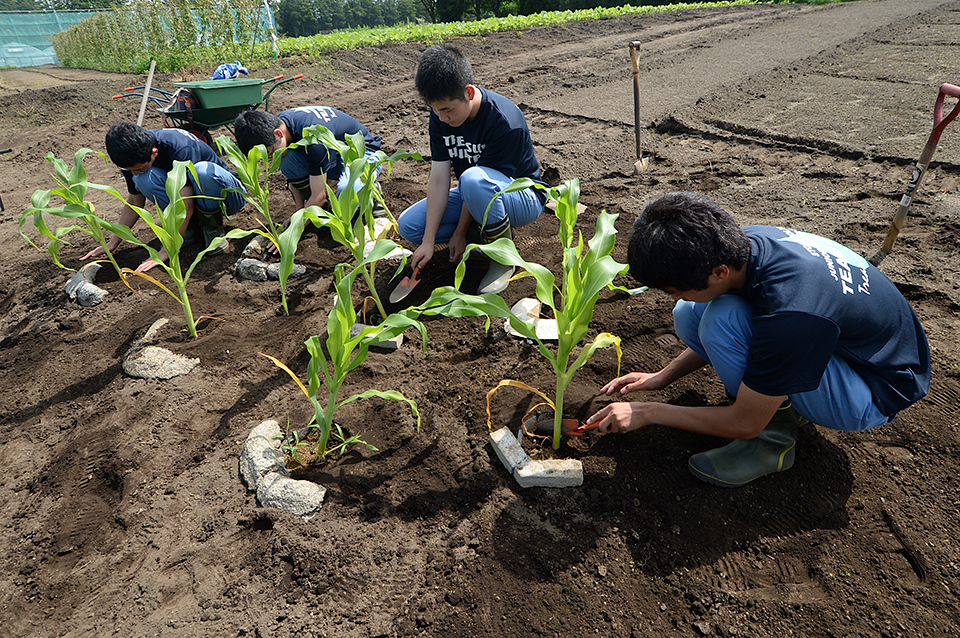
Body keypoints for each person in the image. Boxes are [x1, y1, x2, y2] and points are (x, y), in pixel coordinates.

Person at [586, 191, 930, 488]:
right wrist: (663, 377)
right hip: (849, 347)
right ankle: (773, 397)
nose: (674, 297)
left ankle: (772, 442)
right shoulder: (744, 245)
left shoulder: (792, 313)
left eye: (677, 289)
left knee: (721, 320)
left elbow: (744, 422)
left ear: (718, 272)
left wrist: (647, 412)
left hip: (873, 391)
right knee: (691, 314)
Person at [397, 44, 547, 294]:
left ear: (468, 92)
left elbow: (480, 186)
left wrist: (459, 232)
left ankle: (502, 257)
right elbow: (438, 179)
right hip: (476, 190)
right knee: (409, 225)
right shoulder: (440, 116)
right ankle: (481, 236)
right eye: (435, 111)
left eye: (447, 110)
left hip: (522, 196)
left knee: (473, 180)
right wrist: (428, 241)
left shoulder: (504, 120)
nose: (442, 118)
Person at [81, 122, 246, 273]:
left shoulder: (179, 147)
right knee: (143, 179)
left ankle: (213, 231)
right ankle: (191, 230)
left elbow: (186, 206)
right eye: (129, 170)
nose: (133, 173)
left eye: (139, 168)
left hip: (227, 197)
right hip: (191, 201)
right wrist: (113, 242)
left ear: (154, 152)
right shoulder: (129, 156)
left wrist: (166, 251)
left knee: (202, 171)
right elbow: (134, 201)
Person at [233, 106, 383, 212]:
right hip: (334, 154)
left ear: (278, 134)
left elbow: (319, 196)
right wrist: (300, 212)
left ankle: (371, 191)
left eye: (270, 152)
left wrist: (296, 227)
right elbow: (294, 182)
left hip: (363, 154)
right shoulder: (278, 124)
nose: (271, 158)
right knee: (288, 160)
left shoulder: (314, 138)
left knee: (347, 191)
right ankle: (320, 212)